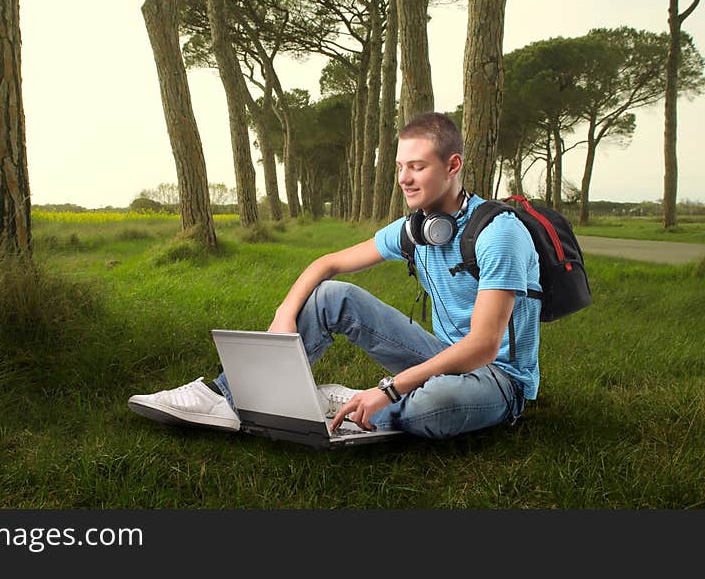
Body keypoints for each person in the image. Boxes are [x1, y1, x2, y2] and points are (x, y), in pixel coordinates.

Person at [128, 112, 539, 439]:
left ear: (453, 165)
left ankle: (353, 404)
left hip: (498, 379)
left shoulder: (498, 234)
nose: (404, 179)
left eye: (417, 166)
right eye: (400, 167)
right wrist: (285, 314)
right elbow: (327, 264)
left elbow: (483, 347)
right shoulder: (416, 228)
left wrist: (389, 388)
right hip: (441, 358)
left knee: (429, 408)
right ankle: (222, 395)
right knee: (330, 295)